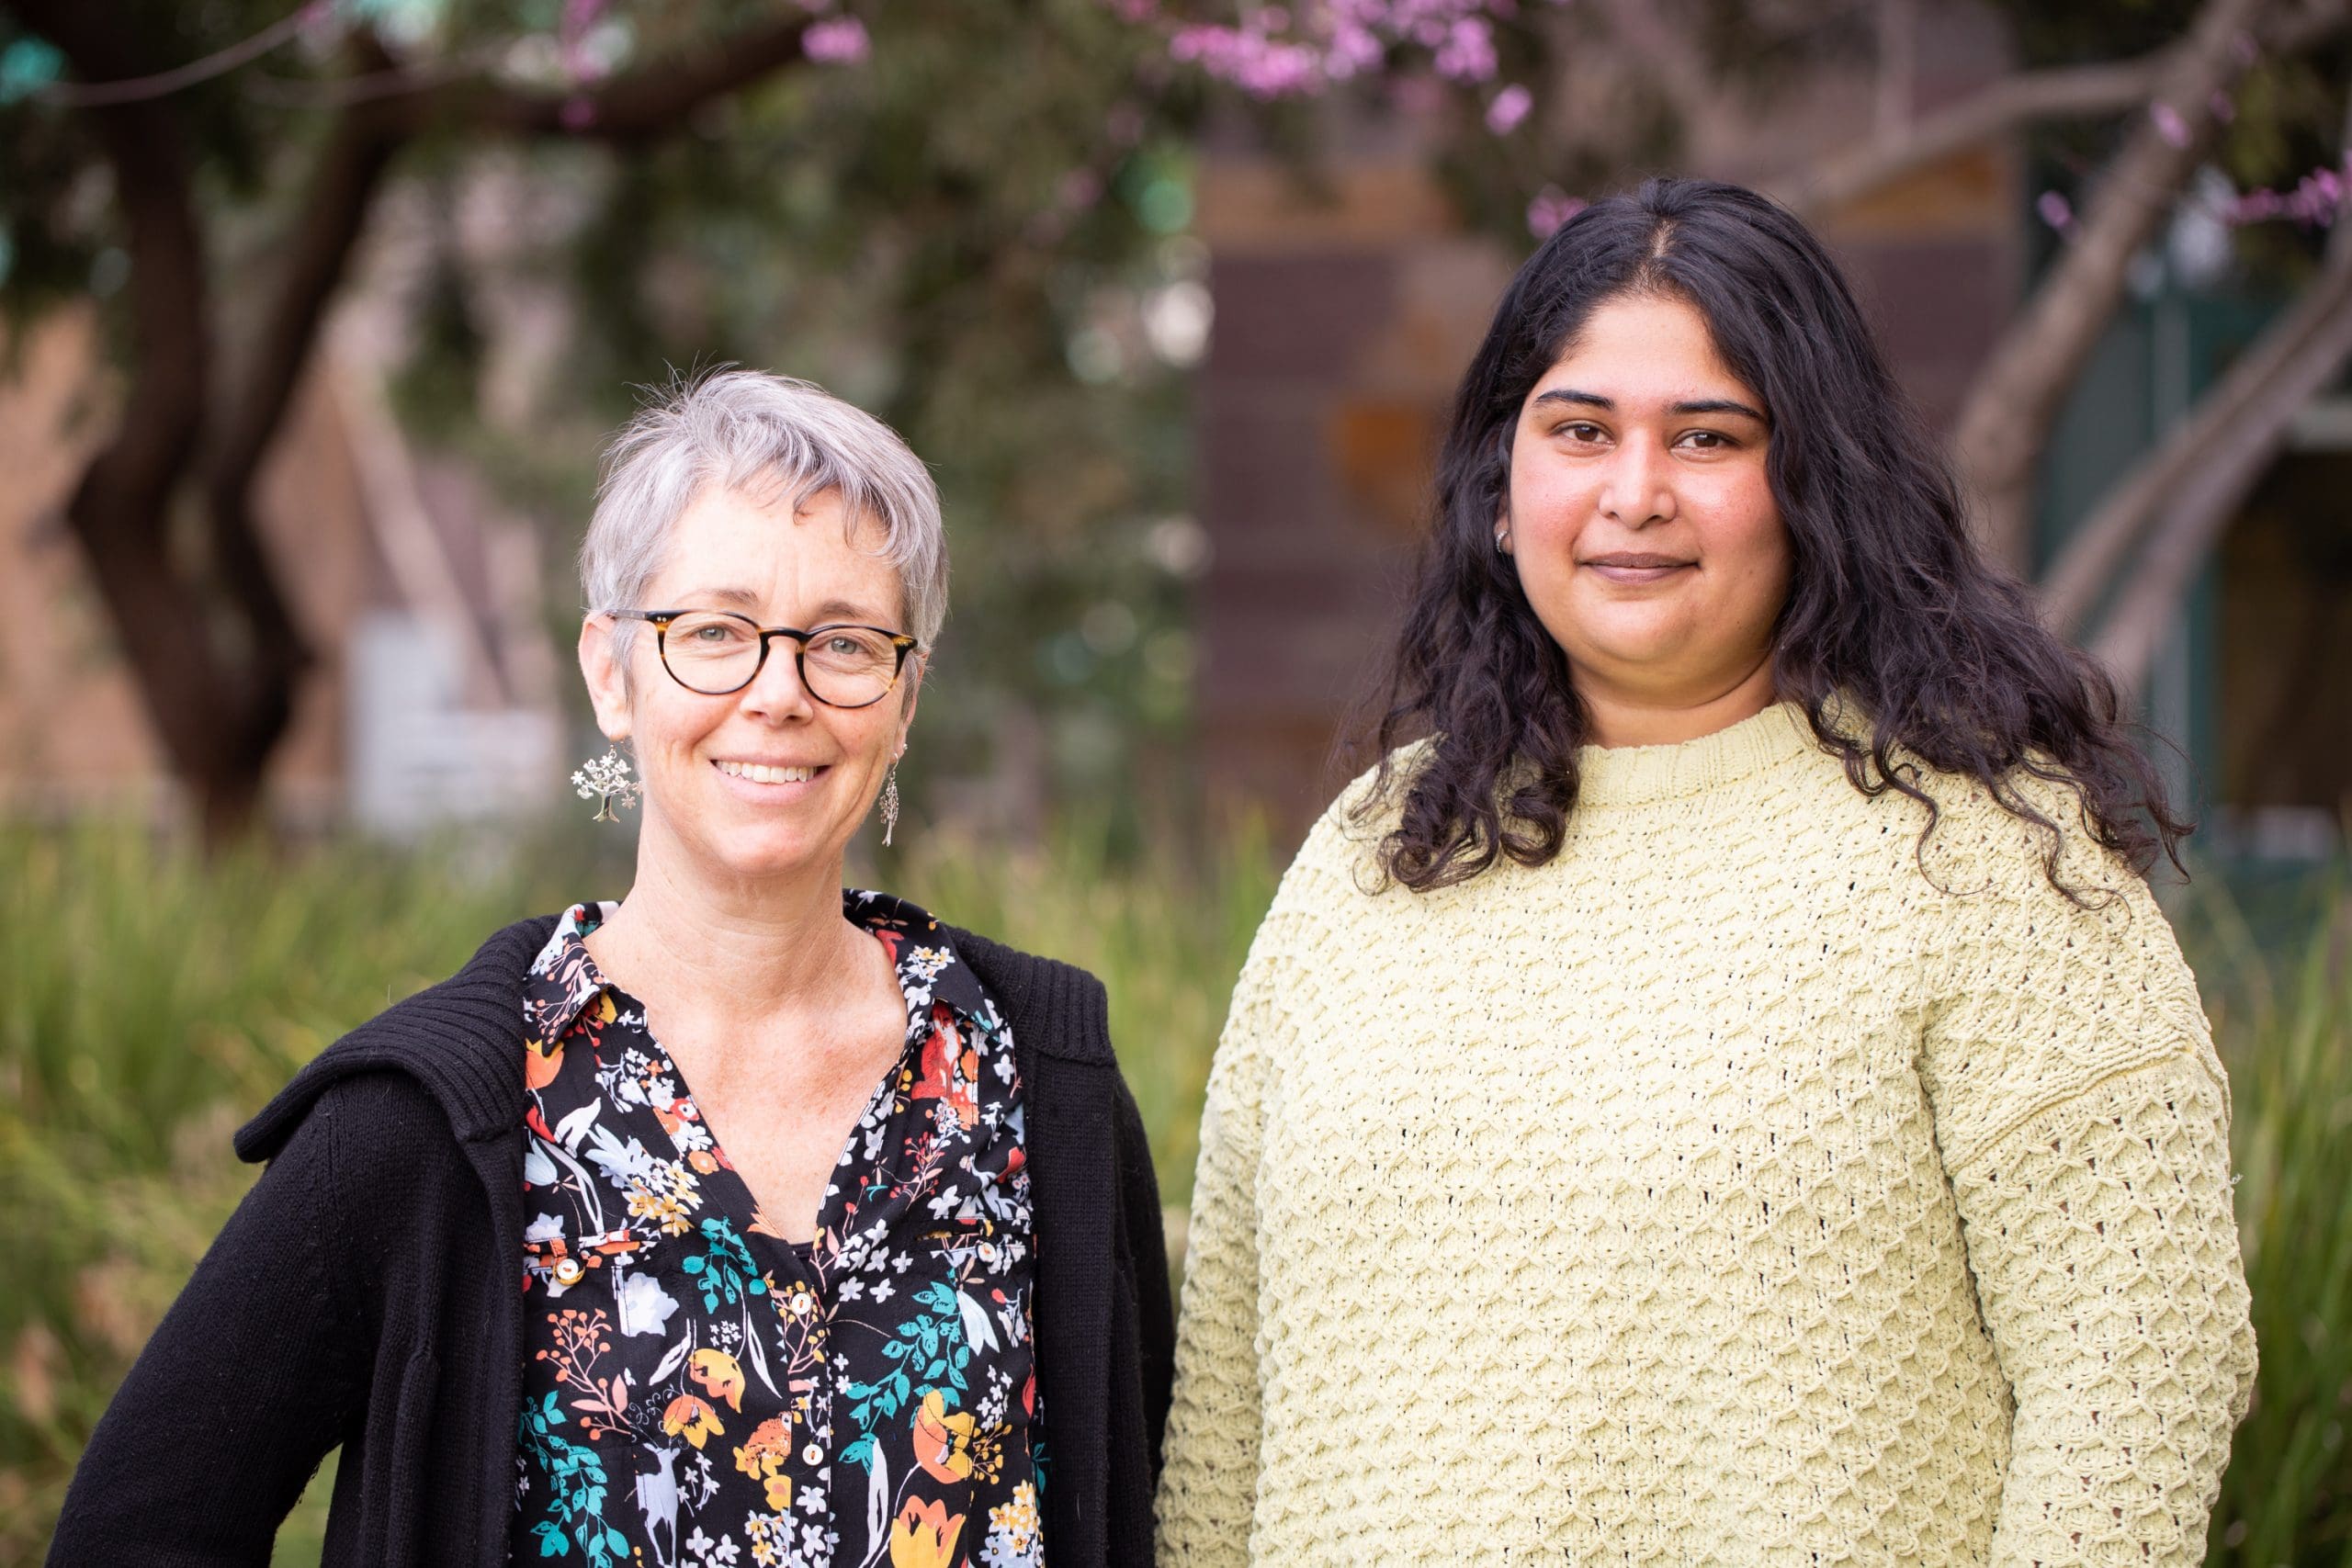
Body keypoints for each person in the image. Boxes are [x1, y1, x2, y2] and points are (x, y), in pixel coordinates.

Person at [1156, 178, 2256, 1565]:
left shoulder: (1983, 854)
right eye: (1579, 429)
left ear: (1814, 486)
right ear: (1504, 486)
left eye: (1708, 436)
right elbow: (1225, 1410)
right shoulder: (1376, 854)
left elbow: (2141, 1368)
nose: (1635, 493)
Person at [51, 371, 1172, 1568]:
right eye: (715, 635)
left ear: (904, 699)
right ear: (609, 673)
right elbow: (139, 1526)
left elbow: (1162, 1514)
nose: (778, 693)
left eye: (844, 643)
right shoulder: (441, 1115)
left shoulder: (1040, 1090)